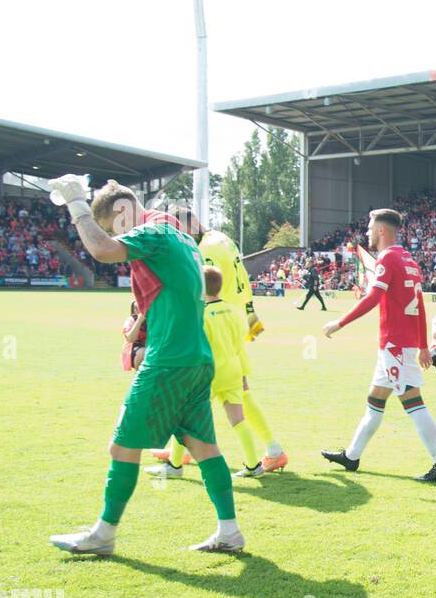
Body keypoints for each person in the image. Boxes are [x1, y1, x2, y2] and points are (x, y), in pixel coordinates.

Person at [45, 177, 244, 554]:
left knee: (122, 445)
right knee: (204, 448)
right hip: (197, 358)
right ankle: (230, 531)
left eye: (111, 225)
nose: (115, 235)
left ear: (122, 213)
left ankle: (103, 534)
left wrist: (76, 204)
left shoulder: (152, 231)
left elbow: (103, 250)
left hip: (169, 359)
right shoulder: (180, 235)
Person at [151, 208, 287, 477]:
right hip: (233, 318)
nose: (179, 237)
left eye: (179, 231)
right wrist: (249, 311)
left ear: (187, 225)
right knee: (237, 390)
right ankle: (183, 451)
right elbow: (243, 277)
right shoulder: (223, 238)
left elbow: (199, 282)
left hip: (216, 323)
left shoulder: (206, 248)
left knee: (215, 394)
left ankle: (273, 450)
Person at [321, 209, 436, 482]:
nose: (368, 233)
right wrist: (422, 345)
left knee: (413, 402)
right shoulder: (409, 260)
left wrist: (340, 322)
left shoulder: (387, 258)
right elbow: (419, 308)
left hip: (395, 345)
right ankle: (352, 455)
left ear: (381, 230)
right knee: (375, 400)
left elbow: (373, 298)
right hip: (398, 346)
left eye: (370, 228)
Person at [146, 266, 264, 478]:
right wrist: (243, 372)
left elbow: (196, 347)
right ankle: (254, 465)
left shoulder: (201, 314)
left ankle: (174, 466)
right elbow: (240, 343)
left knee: (183, 418)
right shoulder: (232, 310)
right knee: (238, 419)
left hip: (207, 374)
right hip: (233, 370)